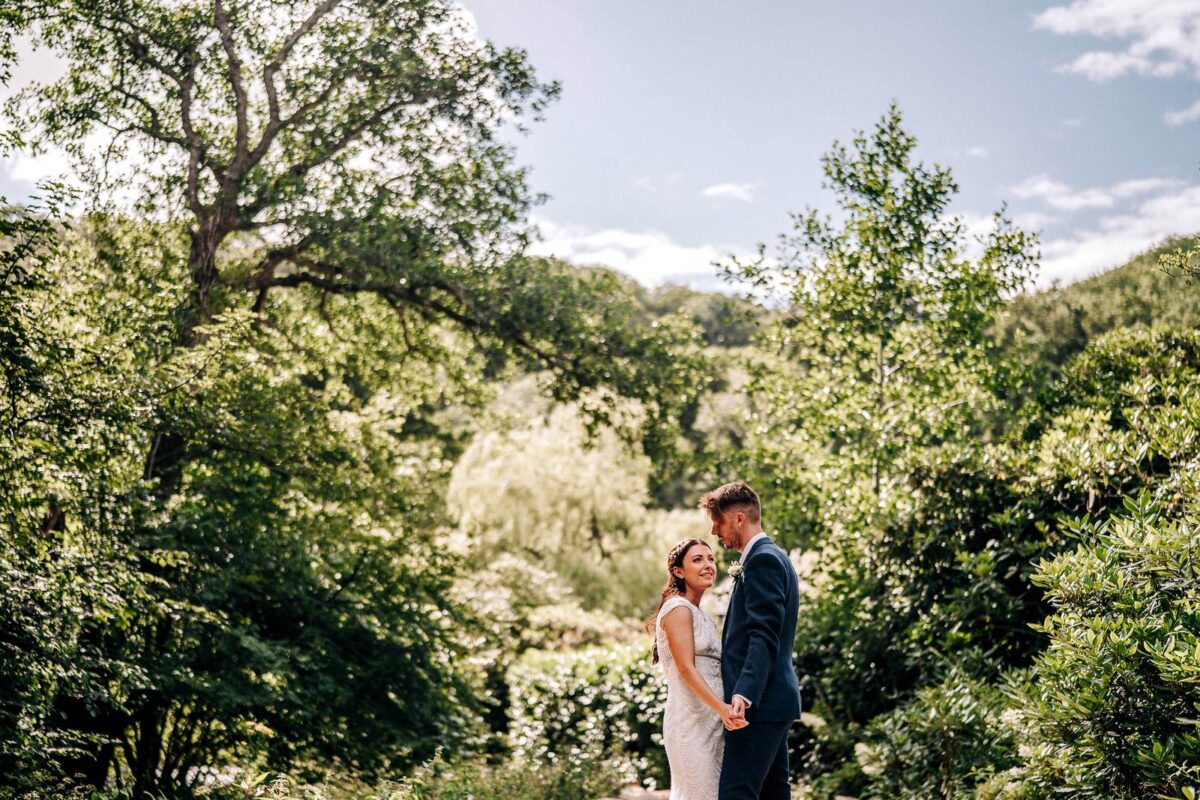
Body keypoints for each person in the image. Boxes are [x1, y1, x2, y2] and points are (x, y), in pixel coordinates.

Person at [702, 481, 802, 800]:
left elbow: (764, 636)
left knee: (736, 793)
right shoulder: (772, 555)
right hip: (773, 700)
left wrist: (743, 694)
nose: (716, 532)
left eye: (718, 522)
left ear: (740, 519)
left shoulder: (762, 560)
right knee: (774, 793)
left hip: (759, 703)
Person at [652, 538, 747, 800]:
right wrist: (723, 709)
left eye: (710, 559)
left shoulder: (700, 613)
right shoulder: (678, 609)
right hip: (690, 722)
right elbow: (685, 668)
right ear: (678, 572)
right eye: (697, 560)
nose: (708, 565)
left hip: (714, 721)